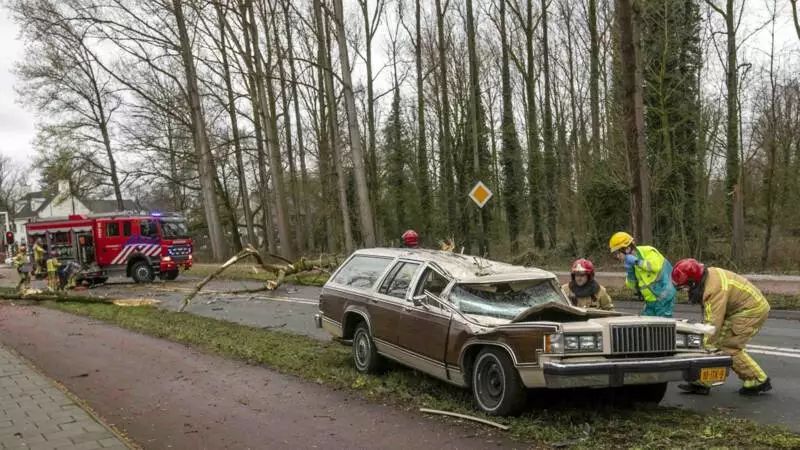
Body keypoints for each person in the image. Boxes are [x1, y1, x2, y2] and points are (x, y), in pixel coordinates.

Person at [671, 258, 772, 396]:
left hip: (751, 311)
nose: (684, 291)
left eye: (685, 287)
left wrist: (700, 345)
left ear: (693, 282)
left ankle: (757, 380)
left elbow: (712, 325)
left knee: (727, 346)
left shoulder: (713, 290)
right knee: (714, 345)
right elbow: (710, 316)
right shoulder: (706, 279)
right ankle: (703, 381)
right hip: (741, 308)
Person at [608, 231, 676, 317]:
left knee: (662, 326)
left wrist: (637, 262)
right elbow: (631, 286)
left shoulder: (647, 251)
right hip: (650, 301)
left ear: (627, 249)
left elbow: (655, 266)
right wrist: (630, 272)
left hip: (664, 296)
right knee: (646, 326)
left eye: (618, 253)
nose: (617, 257)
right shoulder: (631, 264)